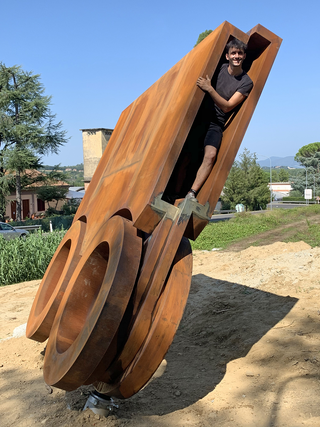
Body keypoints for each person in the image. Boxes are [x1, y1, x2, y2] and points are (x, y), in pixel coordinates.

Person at [185, 38, 253, 202]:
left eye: (240, 53)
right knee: (185, 151)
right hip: (199, 115)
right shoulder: (219, 68)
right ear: (227, 56)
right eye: (233, 53)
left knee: (210, 155)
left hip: (216, 121)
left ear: (244, 56)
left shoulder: (246, 82)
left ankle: (191, 193)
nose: (237, 56)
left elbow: (228, 106)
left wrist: (209, 89)